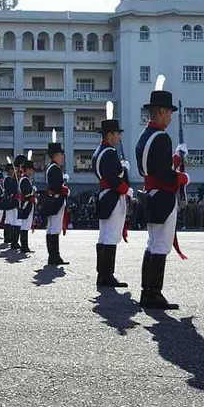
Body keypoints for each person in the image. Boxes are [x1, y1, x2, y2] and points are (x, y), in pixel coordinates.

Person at [135, 85, 190, 309]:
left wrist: (176, 157)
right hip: (163, 197)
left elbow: (154, 165)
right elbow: (164, 172)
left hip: (150, 194)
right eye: (169, 112)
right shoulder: (162, 138)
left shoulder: (145, 136)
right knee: (161, 246)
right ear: (161, 111)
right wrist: (182, 178)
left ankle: (147, 291)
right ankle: (153, 294)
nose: (170, 117)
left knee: (153, 244)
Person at [92, 118, 132, 287]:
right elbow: (112, 177)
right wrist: (125, 183)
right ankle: (107, 275)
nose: (119, 138)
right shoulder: (110, 153)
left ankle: (102, 274)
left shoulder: (98, 152)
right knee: (111, 236)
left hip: (104, 195)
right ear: (110, 135)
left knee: (104, 235)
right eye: (117, 134)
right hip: (112, 196)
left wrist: (120, 170)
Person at [42, 141, 70, 265]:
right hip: (56, 201)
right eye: (60, 154)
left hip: (53, 200)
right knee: (54, 229)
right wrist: (66, 190)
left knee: (52, 228)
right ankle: (54, 256)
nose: (62, 157)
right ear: (56, 155)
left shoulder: (52, 167)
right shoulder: (54, 169)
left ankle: (53, 255)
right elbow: (55, 187)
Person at [17, 157, 36, 253]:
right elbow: (26, 193)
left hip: (27, 204)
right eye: (31, 169)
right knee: (24, 226)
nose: (32, 171)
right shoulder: (24, 180)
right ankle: (24, 246)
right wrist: (32, 195)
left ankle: (25, 246)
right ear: (27, 169)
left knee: (26, 226)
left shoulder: (25, 179)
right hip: (25, 205)